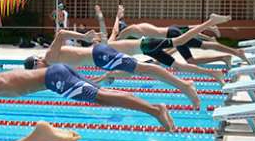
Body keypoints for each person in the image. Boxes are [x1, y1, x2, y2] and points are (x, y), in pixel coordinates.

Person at [0, 33, 176, 131]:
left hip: (55, 78)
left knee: (103, 97)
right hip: (57, 74)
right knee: (102, 94)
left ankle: (155, 110)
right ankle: (154, 109)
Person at [26, 10, 232, 109]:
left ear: (37, 60)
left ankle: (186, 85)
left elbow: (61, 33)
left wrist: (84, 37)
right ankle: (187, 82)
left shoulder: (49, 58)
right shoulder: (52, 69)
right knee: (160, 58)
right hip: (103, 55)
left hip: (101, 56)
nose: (38, 69)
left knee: (149, 68)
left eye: (35, 66)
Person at [94, 6, 226, 84]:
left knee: (180, 41)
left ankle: (210, 22)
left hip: (147, 44)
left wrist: (111, 16)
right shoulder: (111, 63)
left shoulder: (108, 47)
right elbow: (102, 78)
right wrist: (117, 16)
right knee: (179, 66)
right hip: (148, 51)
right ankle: (213, 73)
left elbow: (115, 30)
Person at [115, 14, 246, 68]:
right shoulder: (138, 27)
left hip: (172, 34)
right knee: (203, 45)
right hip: (172, 31)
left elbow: (116, 38)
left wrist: (116, 19)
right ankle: (231, 52)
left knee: (191, 61)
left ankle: (228, 54)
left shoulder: (129, 30)